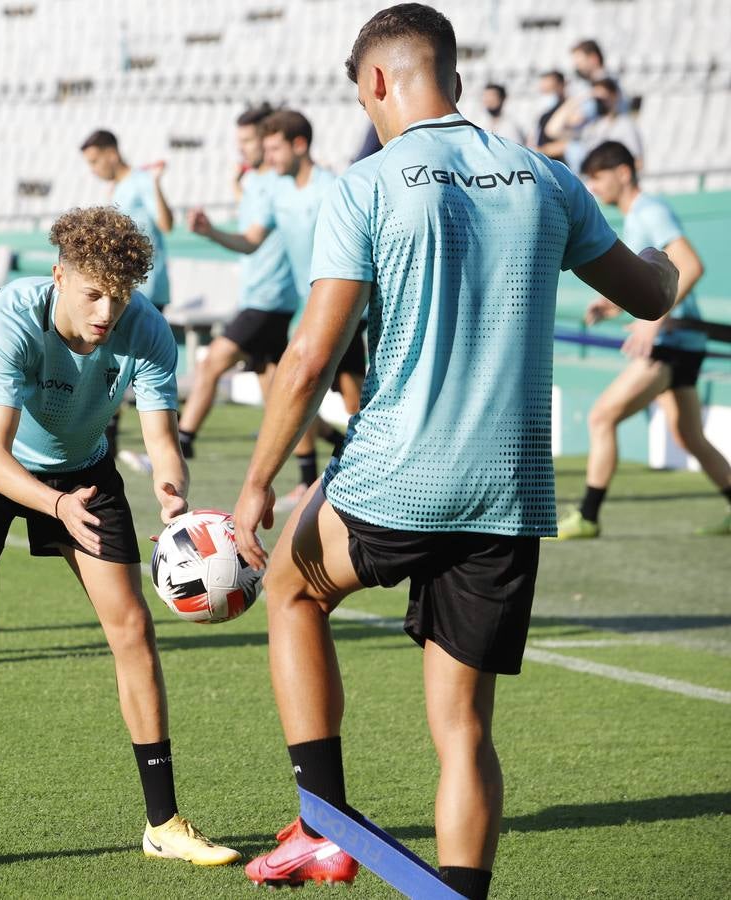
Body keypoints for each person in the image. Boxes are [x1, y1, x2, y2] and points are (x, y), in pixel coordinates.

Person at [229, 5, 677, 897]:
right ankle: (462, 892)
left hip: (399, 472)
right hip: (509, 490)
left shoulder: (366, 184)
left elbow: (312, 355)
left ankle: (323, 822)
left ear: (378, 84)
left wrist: (256, 483)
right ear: (457, 79)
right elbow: (648, 294)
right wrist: (666, 263)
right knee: (464, 726)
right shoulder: (548, 179)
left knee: (288, 586)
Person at [0, 206, 238, 878]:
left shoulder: (145, 329)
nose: (106, 311)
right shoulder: (11, 316)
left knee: (132, 629)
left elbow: (159, 440)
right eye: (92, 293)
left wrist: (173, 498)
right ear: (58, 277)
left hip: (82, 468)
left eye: (119, 295)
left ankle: (164, 823)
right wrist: (57, 507)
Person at [557, 141, 731, 539]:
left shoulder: (650, 210)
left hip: (670, 344)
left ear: (623, 172)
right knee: (689, 436)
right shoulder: (637, 216)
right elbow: (657, 280)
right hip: (681, 344)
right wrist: (612, 306)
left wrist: (655, 323)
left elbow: (691, 265)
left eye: (598, 178)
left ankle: (588, 516)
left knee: (603, 416)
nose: (594, 187)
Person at [177, 109, 336, 462]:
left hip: (294, 303)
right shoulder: (273, 186)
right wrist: (210, 232)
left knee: (224, 366)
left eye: (255, 142)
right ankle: (319, 464)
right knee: (285, 393)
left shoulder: (319, 186)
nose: (255, 151)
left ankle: (181, 443)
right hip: (294, 304)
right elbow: (251, 239)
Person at [81, 129, 172, 311]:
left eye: (94, 162)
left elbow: (166, 224)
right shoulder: (118, 187)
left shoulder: (142, 180)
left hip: (146, 286)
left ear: (112, 155)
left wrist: (155, 183)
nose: (93, 170)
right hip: (126, 285)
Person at [532, 70, 566, 153]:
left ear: (561, 86)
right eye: (544, 89)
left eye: (551, 88)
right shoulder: (542, 113)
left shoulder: (565, 110)